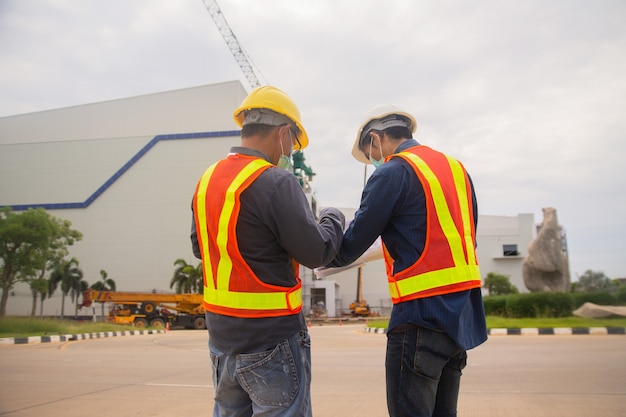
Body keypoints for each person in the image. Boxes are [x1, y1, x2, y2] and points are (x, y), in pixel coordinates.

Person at [190, 85, 345, 417]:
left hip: (221, 341)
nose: (290, 151)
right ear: (284, 133)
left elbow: (200, 247)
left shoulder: (207, 180)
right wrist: (333, 216)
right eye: (293, 144)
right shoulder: (276, 182)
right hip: (271, 341)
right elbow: (317, 252)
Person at [326, 104, 487, 417]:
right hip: (460, 321)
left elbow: (350, 246)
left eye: (370, 153)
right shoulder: (457, 169)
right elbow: (466, 236)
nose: (375, 161)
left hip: (420, 321)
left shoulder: (392, 171)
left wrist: (328, 220)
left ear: (376, 137)